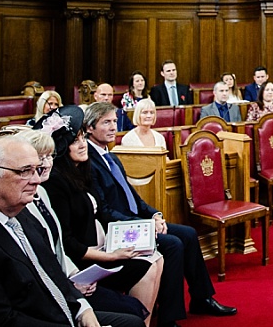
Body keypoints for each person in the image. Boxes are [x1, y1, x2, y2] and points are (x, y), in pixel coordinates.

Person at [0, 136, 143, 327]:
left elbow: (52, 272)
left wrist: (82, 309)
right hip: (34, 320)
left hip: (55, 311)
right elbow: (1, 322)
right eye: (25, 171)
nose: (37, 180)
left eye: (36, 169)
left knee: (132, 321)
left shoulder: (18, 211)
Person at [83, 103, 236, 327]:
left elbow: (132, 196)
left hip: (136, 222)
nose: (113, 127)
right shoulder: (89, 162)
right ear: (89, 128)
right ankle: (168, 318)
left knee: (188, 234)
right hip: (119, 230)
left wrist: (155, 214)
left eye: (115, 121)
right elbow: (104, 212)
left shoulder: (111, 156)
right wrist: (144, 224)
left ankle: (201, 298)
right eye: (106, 122)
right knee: (173, 244)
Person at [42, 108, 160, 323]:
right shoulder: (56, 183)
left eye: (82, 139)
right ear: (61, 149)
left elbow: (104, 212)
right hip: (83, 263)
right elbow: (67, 242)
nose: (82, 144)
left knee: (151, 260)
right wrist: (110, 256)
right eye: (74, 141)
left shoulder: (81, 171)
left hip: (100, 247)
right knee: (145, 269)